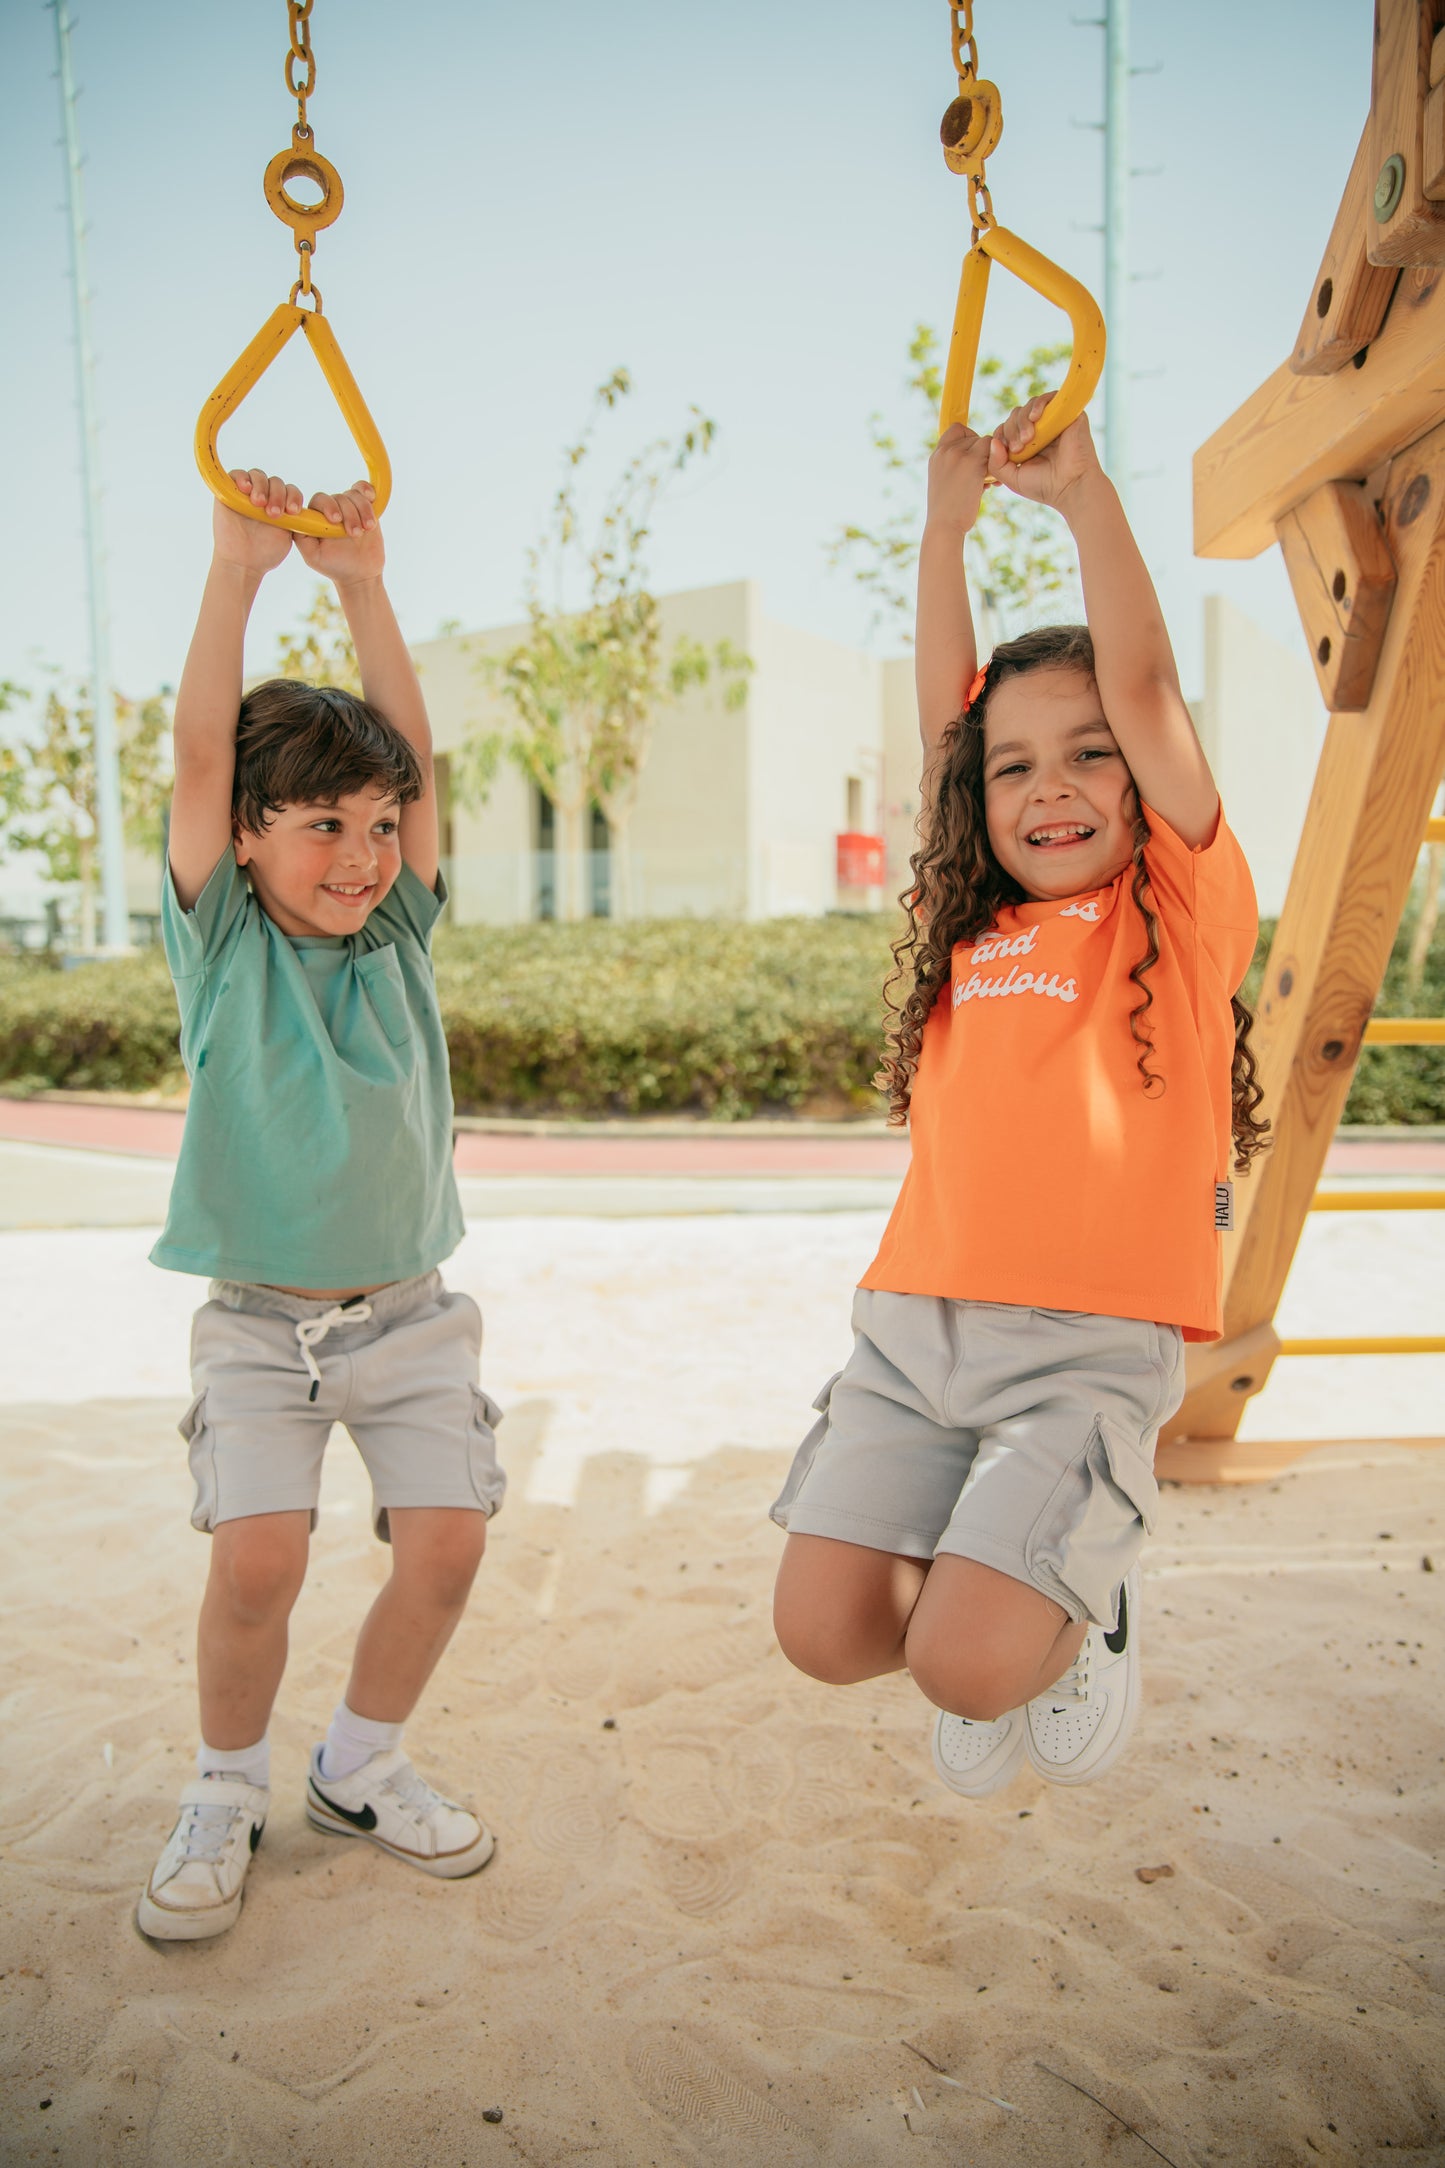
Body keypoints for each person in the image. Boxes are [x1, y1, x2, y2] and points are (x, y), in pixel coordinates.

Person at [770, 398, 1268, 1798]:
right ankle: (1012, 1566)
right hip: (916, 1333)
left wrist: (1081, 500)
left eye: (1087, 752)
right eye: (1015, 767)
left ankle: (1074, 1601)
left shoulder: (1171, 906)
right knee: (824, 1635)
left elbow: (1153, 686)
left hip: (1085, 1344)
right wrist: (943, 530)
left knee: (964, 1665)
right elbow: (947, 722)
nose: (1049, 788)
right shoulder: (960, 925)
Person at [138, 471, 504, 1942]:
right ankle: (227, 1783)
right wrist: (236, 572)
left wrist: (362, 585)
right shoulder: (221, 941)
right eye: (319, 826)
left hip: (409, 1314)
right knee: (261, 1559)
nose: (359, 855)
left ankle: (357, 1765)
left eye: (376, 823)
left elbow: (415, 756)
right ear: (244, 835)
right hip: (258, 1327)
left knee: (449, 1548)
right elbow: (190, 759)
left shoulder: (400, 928)